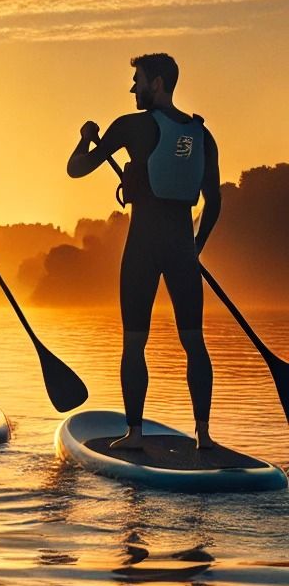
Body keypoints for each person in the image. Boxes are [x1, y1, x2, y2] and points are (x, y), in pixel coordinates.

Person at [67, 52, 221, 449]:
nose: (132, 87)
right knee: (194, 341)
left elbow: (77, 168)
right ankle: (204, 434)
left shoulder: (131, 126)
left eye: (138, 80)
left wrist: (84, 137)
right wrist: (195, 247)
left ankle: (134, 434)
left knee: (134, 342)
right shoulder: (203, 136)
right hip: (182, 249)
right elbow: (213, 202)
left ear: (157, 83)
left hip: (143, 248)